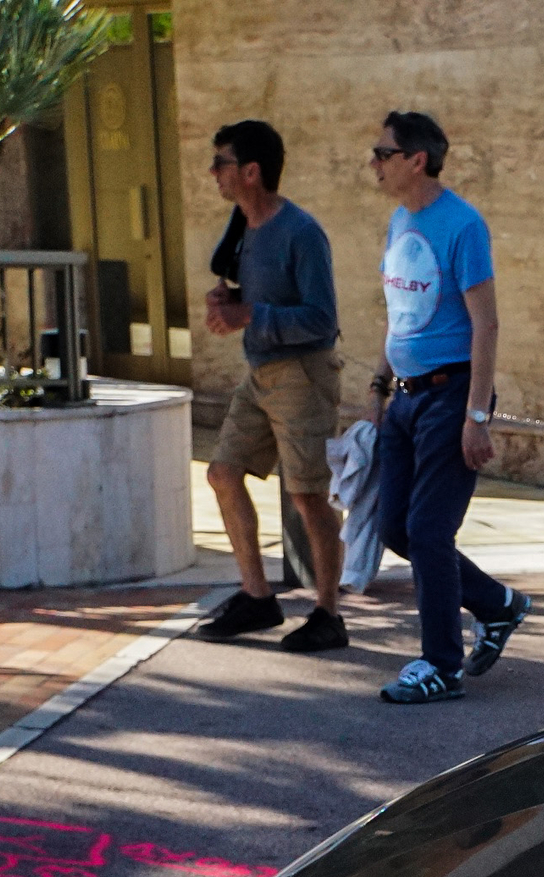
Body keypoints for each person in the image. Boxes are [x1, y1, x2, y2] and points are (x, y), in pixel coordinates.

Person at [362, 110, 529, 704]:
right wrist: (381, 385)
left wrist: (475, 416)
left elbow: (485, 323)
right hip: (406, 397)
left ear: (417, 159)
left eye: (383, 153)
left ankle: (442, 666)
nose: (374, 163)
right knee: (396, 529)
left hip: (451, 395)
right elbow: (399, 312)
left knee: (429, 531)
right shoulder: (399, 220)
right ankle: (498, 605)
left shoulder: (463, 225)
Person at [196, 120, 349, 651]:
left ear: (251, 171)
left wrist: (248, 314)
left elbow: (322, 319)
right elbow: (251, 295)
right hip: (260, 373)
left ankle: (328, 614)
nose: (213, 173)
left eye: (222, 163)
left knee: (307, 495)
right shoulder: (242, 226)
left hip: (303, 375)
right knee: (221, 473)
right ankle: (258, 598)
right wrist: (229, 303)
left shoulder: (301, 233)